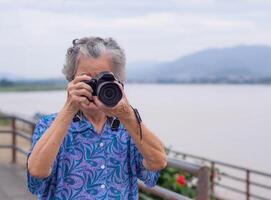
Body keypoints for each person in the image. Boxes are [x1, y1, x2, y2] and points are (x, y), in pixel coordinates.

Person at [26, 36, 167, 199]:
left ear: (118, 82)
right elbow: (36, 171)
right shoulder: (49, 125)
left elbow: (158, 162)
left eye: (102, 78)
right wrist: (70, 108)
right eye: (86, 79)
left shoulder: (127, 128)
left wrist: (127, 114)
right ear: (72, 81)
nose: (94, 87)